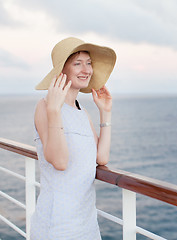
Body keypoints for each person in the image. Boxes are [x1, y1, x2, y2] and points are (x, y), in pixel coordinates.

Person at [31, 37, 116, 239]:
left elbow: (101, 158)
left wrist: (106, 112)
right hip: (57, 226)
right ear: (62, 71)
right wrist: (54, 109)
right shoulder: (44, 107)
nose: (86, 69)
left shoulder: (82, 112)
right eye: (77, 63)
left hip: (86, 224)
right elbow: (59, 162)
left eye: (88, 63)